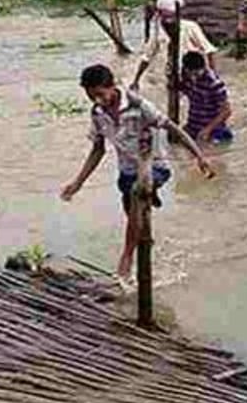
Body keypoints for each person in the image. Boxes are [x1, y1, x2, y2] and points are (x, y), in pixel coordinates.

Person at [61, 64, 215, 284]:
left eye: (100, 94)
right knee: (136, 220)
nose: (97, 100)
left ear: (112, 86)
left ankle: (126, 258)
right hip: (127, 172)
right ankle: (145, 251)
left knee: (137, 194)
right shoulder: (97, 113)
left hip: (155, 167)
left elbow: (174, 129)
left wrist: (199, 157)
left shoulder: (139, 105)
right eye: (91, 96)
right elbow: (98, 150)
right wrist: (77, 183)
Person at [133, 0, 217, 89]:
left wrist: (212, 76)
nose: (168, 23)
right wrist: (136, 79)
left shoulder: (190, 28)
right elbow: (147, 57)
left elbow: (209, 50)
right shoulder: (158, 33)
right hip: (169, 76)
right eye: (164, 17)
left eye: (170, 18)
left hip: (190, 75)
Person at [179, 51, 233, 145]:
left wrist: (207, 130)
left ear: (203, 68)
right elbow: (182, 90)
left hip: (214, 131)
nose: (193, 77)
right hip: (193, 127)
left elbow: (227, 111)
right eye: (190, 74)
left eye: (196, 74)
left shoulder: (214, 83)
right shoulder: (187, 79)